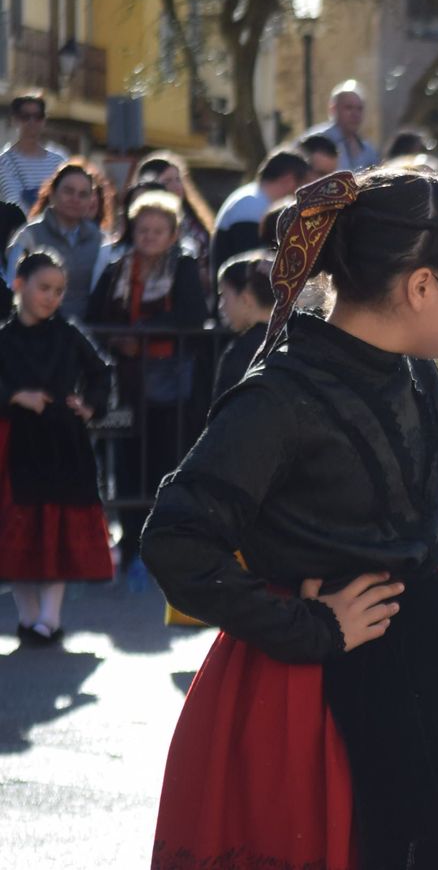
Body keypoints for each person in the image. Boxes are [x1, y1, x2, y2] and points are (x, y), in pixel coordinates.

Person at [142, 169, 438, 869]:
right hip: (315, 693)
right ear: (420, 287)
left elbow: (423, 506)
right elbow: (175, 539)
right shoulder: (281, 397)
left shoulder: (417, 374)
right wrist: (311, 627)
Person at [87, 190, 210, 580]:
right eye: (143, 229)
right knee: (125, 467)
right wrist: (116, 339)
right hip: (125, 382)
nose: (150, 237)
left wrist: (140, 332)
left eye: (158, 230)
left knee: (164, 463)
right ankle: (128, 546)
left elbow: (193, 315)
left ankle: (163, 548)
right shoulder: (116, 266)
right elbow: (95, 315)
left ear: (173, 234)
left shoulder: (183, 266)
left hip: (169, 383)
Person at [0, 250, 114, 645]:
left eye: (59, 291)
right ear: (19, 284)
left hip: (62, 443)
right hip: (17, 446)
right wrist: (15, 396)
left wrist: (90, 405)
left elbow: (101, 372)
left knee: (57, 528)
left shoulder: (67, 332)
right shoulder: (4, 339)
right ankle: (29, 617)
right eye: (43, 288)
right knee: (18, 532)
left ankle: (50, 617)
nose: (51, 297)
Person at [6, 161, 111, 319]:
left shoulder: (101, 241)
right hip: (37, 332)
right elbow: (12, 285)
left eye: (83, 194)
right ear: (52, 193)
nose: (75, 199)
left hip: (84, 334)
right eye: (68, 191)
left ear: (91, 201)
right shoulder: (28, 235)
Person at [212, 150, 311, 272]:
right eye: (303, 187)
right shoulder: (251, 205)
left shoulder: (250, 199)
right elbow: (250, 268)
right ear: (288, 180)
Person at [133, 153, 217, 286]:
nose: (176, 186)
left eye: (178, 179)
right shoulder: (143, 222)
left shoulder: (192, 219)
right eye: (167, 181)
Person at [213, 250, 275, 398]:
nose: (221, 306)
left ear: (246, 299)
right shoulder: (293, 340)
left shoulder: (239, 352)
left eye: (223, 296)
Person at [0, 94, 70, 210]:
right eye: (25, 116)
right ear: (14, 120)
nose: (32, 122)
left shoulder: (58, 162)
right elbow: (15, 202)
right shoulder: (4, 162)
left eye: (38, 116)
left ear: (44, 120)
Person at [308, 80, 380, 172]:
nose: (355, 114)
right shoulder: (315, 141)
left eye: (359, 109)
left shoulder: (369, 151)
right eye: (349, 108)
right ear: (333, 109)